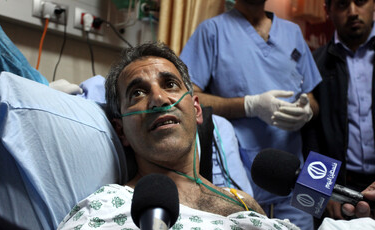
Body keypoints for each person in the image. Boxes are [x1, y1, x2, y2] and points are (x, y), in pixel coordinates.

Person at [57, 42, 300, 229]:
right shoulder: (106, 207)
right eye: (138, 93)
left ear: (196, 110)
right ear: (121, 131)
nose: (159, 99)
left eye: (170, 84)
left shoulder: (243, 202)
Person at [179, 0, 322, 229]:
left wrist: (307, 110)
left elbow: (312, 98)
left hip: (297, 175)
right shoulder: (212, 31)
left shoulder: (293, 32)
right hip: (239, 176)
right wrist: (249, 105)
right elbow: (189, 98)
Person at [303, 0, 375, 221]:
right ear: (328, 10)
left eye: (361, 1)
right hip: (341, 192)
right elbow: (310, 136)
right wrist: (322, 192)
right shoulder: (314, 64)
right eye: (343, 4)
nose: (353, 12)